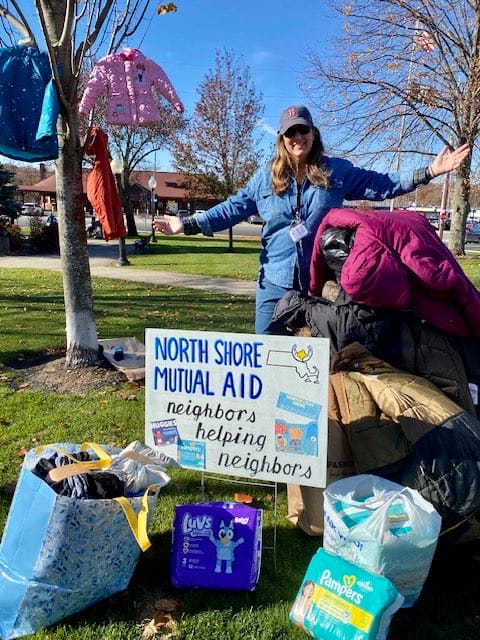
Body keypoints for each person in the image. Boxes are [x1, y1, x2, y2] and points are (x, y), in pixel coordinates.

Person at [156, 105, 470, 334]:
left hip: (322, 286)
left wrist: (428, 172)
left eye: (303, 129)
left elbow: (382, 184)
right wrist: (186, 223)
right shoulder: (263, 179)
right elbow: (230, 209)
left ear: (312, 133)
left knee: (316, 365)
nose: (297, 137)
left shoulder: (337, 171)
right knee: (267, 353)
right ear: (281, 138)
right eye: (290, 132)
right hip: (275, 284)